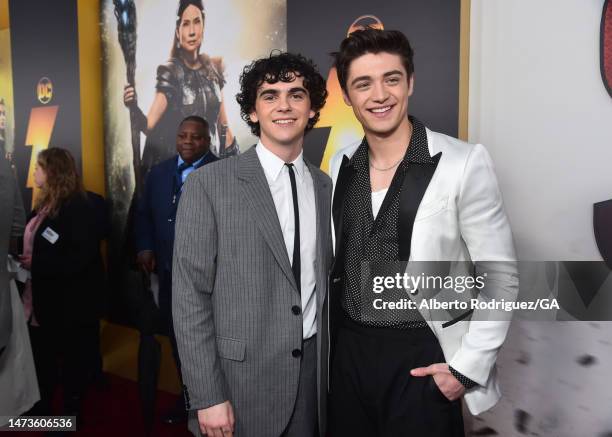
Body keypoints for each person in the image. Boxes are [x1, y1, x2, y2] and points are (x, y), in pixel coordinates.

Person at [327, 28, 519, 436]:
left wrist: (465, 370)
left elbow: (500, 277)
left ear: (410, 82)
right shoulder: (341, 163)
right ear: (347, 95)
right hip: (348, 356)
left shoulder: (463, 162)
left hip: (421, 354)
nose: (380, 95)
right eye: (363, 83)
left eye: (391, 79)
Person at [172, 52, 331, 437]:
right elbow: (189, 296)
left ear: (312, 110)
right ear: (253, 112)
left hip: (312, 380)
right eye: (270, 95)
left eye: (296, 94)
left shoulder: (325, 185)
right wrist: (207, 395)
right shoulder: (209, 184)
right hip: (238, 383)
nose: (284, 105)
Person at [134, 115, 217, 424]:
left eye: (195, 137)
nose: (187, 141)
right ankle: (189, 402)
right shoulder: (158, 173)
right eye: (182, 135)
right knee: (179, 344)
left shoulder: (223, 172)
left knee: (207, 346)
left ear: (207, 141)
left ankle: (210, 404)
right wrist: (145, 247)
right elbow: (143, 215)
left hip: (209, 282)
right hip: (168, 279)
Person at [19, 148, 104, 419]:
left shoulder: (79, 207)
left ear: (53, 172)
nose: (34, 172)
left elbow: (81, 258)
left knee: (69, 362)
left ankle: (69, 415)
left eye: (39, 167)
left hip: (67, 302)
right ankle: (42, 407)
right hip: (39, 298)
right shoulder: (43, 204)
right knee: (42, 359)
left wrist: (37, 264)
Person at [123, 0, 238, 180]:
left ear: (203, 25)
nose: (192, 31)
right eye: (186, 24)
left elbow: (224, 127)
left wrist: (235, 169)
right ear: (178, 31)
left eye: (197, 21)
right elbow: (148, 126)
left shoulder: (214, 67)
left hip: (213, 168)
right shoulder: (170, 72)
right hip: (182, 172)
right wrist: (133, 106)